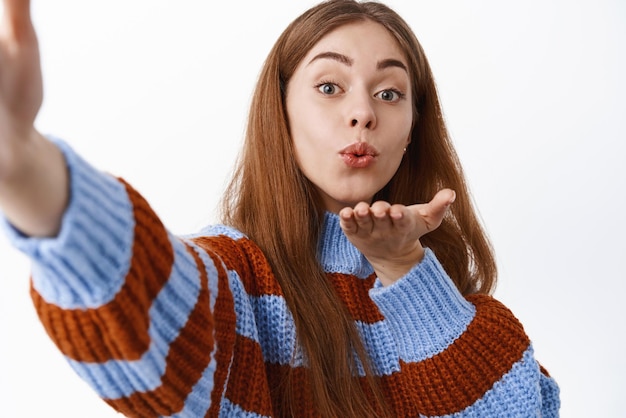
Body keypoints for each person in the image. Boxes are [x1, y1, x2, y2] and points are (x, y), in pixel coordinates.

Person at [0, 0, 560, 416]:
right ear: (281, 114)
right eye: (329, 87)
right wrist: (25, 168)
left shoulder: (459, 307)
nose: (363, 111)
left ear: (413, 128)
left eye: (389, 93)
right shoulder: (239, 280)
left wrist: (406, 271)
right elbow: (149, 303)